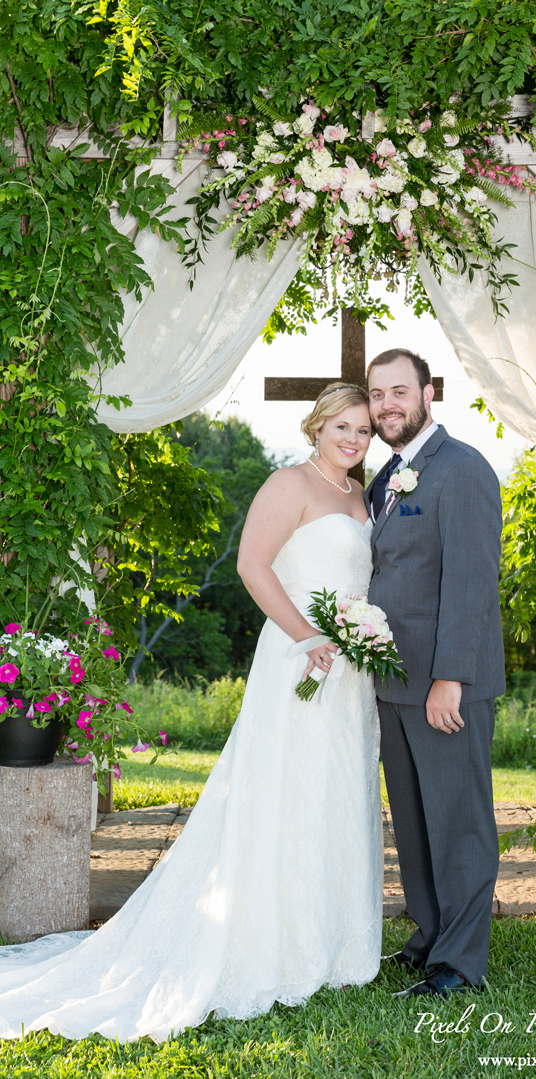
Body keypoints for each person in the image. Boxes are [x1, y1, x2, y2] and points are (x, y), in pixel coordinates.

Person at [0, 382, 383, 1043]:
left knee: (333, 794)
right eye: (342, 425)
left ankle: (329, 943)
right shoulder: (287, 484)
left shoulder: (360, 496)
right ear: (317, 425)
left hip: (349, 672)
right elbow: (252, 566)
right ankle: (268, 942)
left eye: (365, 429)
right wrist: (308, 635)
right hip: (299, 656)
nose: (354, 437)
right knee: (280, 793)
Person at [365, 348, 505, 998]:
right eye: (377, 393)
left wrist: (450, 674)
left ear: (426, 393)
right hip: (394, 680)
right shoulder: (385, 476)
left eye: (399, 390)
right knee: (416, 820)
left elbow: (473, 583)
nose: (387, 403)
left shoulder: (462, 469)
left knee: (459, 819)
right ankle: (428, 934)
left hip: (446, 684)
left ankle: (457, 962)